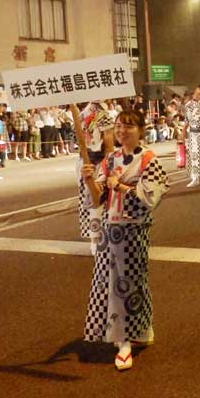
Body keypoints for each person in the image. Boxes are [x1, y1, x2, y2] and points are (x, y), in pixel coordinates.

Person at [80, 110, 169, 372]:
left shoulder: (148, 160)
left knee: (132, 282)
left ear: (141, 130)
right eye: (118, 126)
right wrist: (89, 180)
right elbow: (97, 200)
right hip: (111, 230)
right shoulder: (109, 159)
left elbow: (149, 199)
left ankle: (136, 331)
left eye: (128, 126)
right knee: (110, 285)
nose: (122, 131)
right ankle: (123, 341)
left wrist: (119, 186)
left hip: (134, 232)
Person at [77, 101, 116, 239]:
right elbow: (108, 137)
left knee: (87, 199)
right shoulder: (102, 114)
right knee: (100, 199)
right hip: (98, 161)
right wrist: (111, 160)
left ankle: (92, 235)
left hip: (83, 161)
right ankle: (98, 237)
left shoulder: (81, 114)